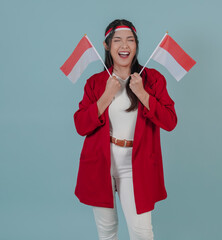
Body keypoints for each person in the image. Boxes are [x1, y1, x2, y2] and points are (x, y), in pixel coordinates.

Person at [73, 19, 177, 240]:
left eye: (130, 40)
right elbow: (81, 125)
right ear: (107, 46)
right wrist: (106, 96)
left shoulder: (152, 79)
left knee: (142, 233)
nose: (124, 46)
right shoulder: (96, 82)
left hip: (137, 164)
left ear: (136, 45)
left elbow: (170, 121)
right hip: (101, 162)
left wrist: (143, 94)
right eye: (118, 40)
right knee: (107, 232)